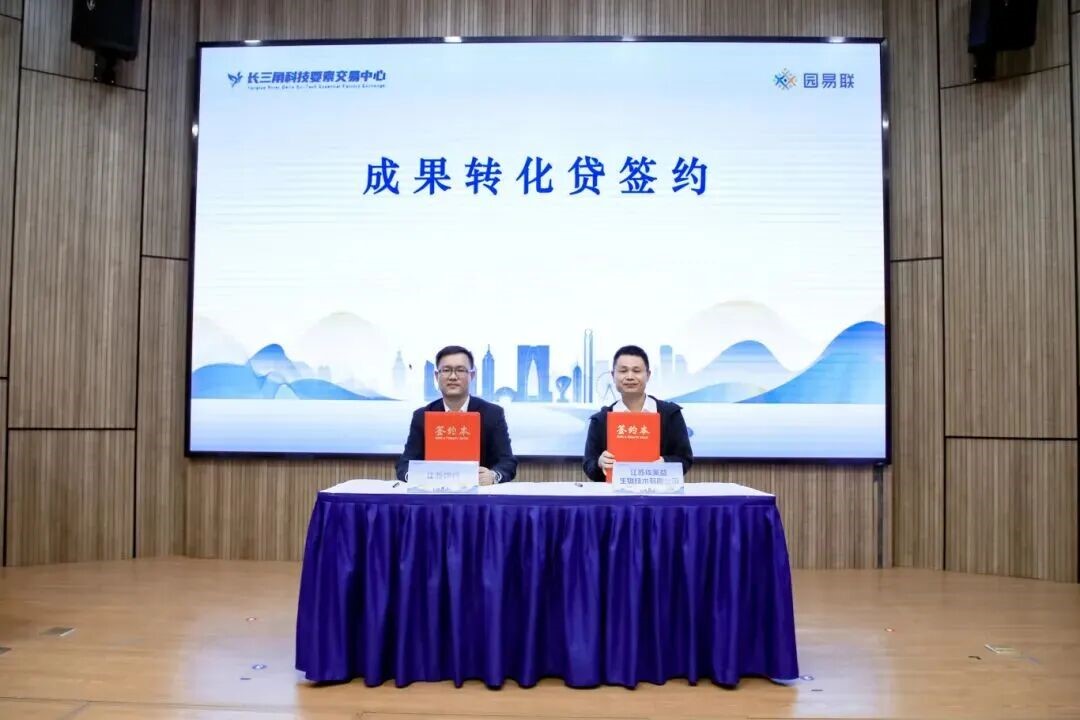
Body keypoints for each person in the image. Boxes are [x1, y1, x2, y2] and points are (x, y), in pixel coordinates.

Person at [396, 345, 517, 484]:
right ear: (436, 376)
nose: (453, 377)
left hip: (480, 493)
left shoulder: (493, 414)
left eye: (460, 370)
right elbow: (404, 464)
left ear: (472, 375)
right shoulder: (422, 416)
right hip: (434, 492)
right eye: (446, 370)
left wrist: (493, 476)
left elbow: (507, 462)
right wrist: (414, 476)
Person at [582, 344, 693, 482]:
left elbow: (685, 459)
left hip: (660, 493)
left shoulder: (670, 414)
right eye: (623, 371)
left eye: (636, 371)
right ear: (613, 375)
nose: (630, 377)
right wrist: (599, 463)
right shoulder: (600, 420)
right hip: (614, 494)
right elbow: (588, 464)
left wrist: (665, 463)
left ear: (648, 375)